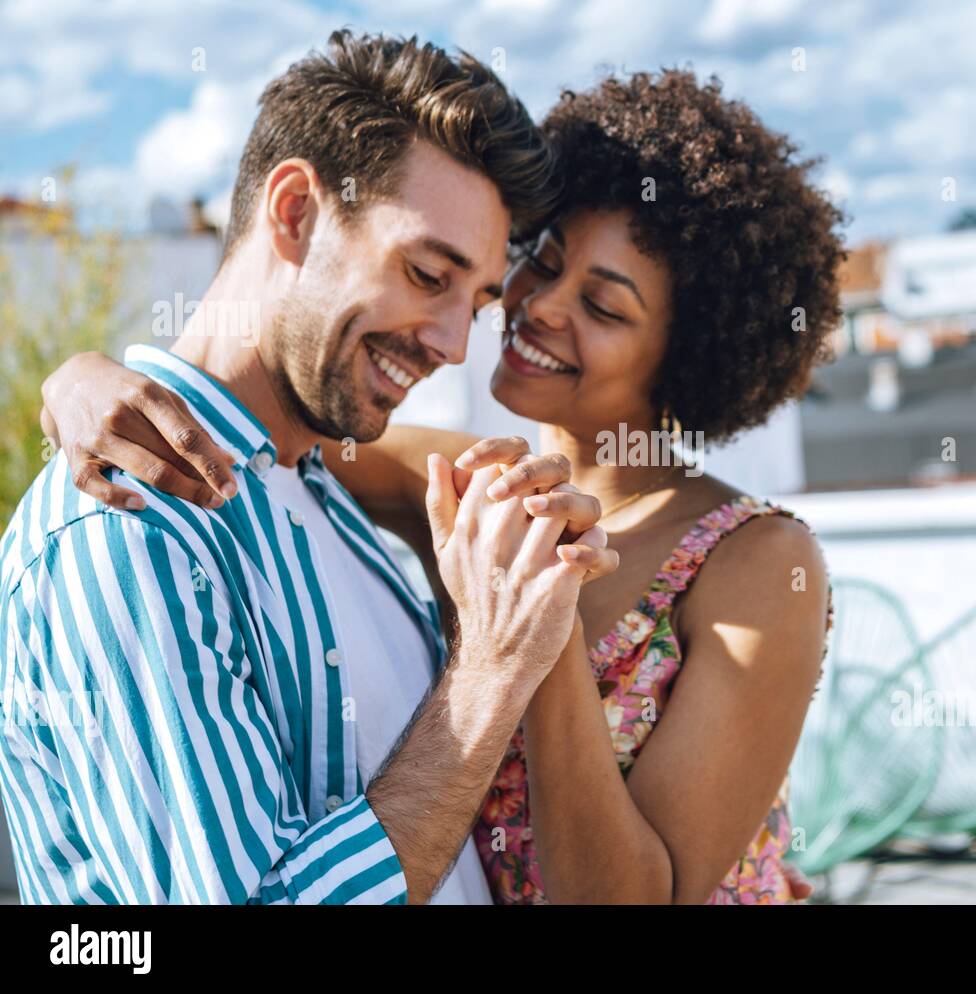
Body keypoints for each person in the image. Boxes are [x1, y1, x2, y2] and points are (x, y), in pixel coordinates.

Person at [38, 67, 844, 903]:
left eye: (603, 307)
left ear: (689, 358)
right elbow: (267, 430)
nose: (536, 307)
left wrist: (540, 611)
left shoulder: (753, 563)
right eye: (544, 264)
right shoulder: (471, 487)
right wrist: (80, 383)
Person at [0, 29, 616, 905]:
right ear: (295, 213)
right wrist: (489, 671)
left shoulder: (332, 497)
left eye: (476, 304)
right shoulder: (128, 522)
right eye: (426, 272)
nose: (451, 344)